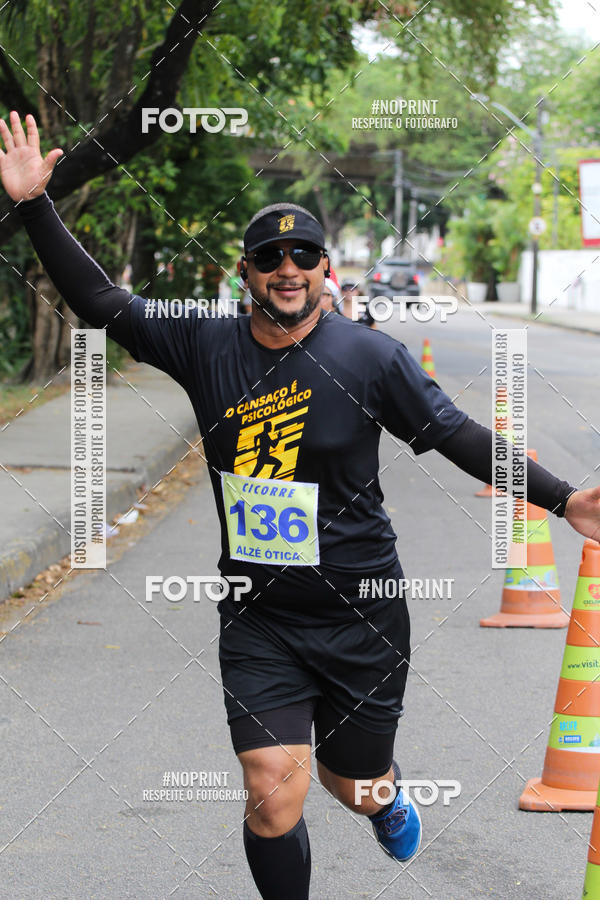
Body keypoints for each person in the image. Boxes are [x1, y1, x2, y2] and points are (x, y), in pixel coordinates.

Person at [3, 111, 600, 899]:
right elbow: (102, 301)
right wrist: (34, 203)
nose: (288, 269)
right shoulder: (203, 344)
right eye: (270, 257)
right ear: (245, 271)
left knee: (352, 787)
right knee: (272, 789)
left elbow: (453, 433)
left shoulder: (371, 358)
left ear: (325, 271)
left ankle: (383, 797)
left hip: (362, 614)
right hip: (261, 617)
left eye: (304, 256)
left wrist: (564, 500)